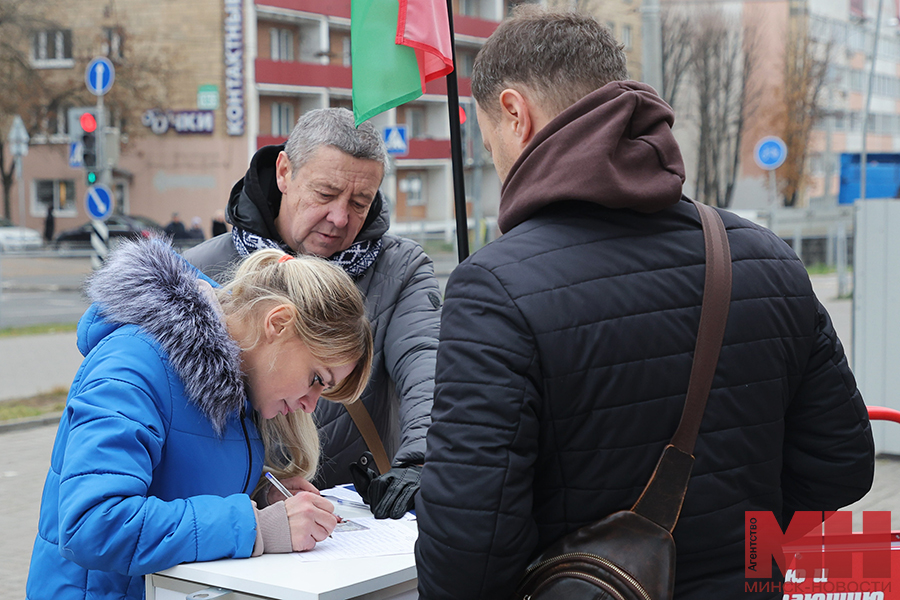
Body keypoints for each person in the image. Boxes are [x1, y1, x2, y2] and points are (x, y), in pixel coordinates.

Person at [413, 7, 875, 600]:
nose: (498, 162)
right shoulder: (767, 257)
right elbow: (843, 467)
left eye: (488, 140)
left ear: (514, 113)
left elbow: (466, 560)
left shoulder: (493, 290)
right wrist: (740, 553)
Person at [26, 236, 373, 600]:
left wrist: (264, 497)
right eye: (317, 379)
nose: (311, 405)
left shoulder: (238, 380)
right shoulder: (133, 364)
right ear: (279, 323)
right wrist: (255, 527)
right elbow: (93, 523)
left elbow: (178, 485)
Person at [183, 107, 440, 519]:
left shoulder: (401, 269)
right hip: (236, 513)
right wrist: (260, 491)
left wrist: (420, 460)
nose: (340, 218)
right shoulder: (198, 271)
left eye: (360, 202)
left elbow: (427, 365)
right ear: (284, 171)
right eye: (325, 194)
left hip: (360, 513)